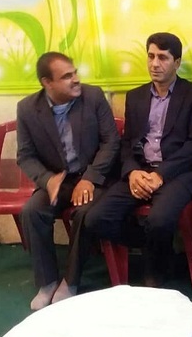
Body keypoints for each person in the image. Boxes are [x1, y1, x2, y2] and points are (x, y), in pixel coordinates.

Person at [85, 33, 192, 287]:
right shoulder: (136, 96)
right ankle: (153, 248)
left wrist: (161, 174)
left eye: (163, 58)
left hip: (177, 174)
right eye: (151, 56)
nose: (155, 64)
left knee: (159, 220)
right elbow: (128, 142)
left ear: (177, 62)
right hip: (140, 171)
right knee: (95, 218)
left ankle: (155, 276)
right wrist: (132, 172)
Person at [17, 52, 120, 310]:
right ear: (47, 83)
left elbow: (111, 142)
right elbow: (25, 156)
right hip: (58, 179)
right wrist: (47, 180)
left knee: (85, 212)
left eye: (74, 73)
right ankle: (47, 282)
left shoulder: (93, 96)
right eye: (66, 76)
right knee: (32, 210)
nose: (76, 79)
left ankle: (70, 281)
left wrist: (90, 179)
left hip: (94, 177)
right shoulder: (27, 108)